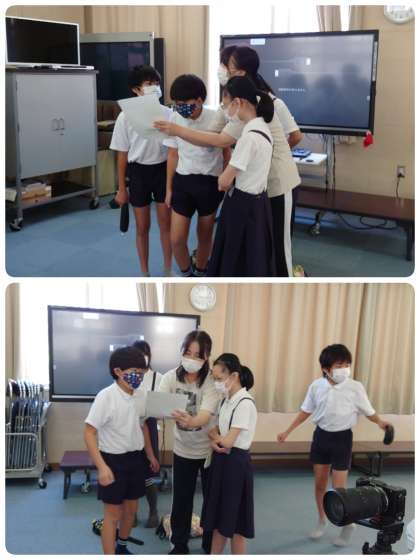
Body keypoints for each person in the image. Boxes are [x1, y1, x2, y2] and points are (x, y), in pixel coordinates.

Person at [154, 47, 301, 276]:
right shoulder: (235, 107)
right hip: (254, 187)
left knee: (279, 248)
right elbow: (210, 136)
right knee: (259, 246)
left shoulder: (256, 110)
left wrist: (178, 130)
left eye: (226, 65)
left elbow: (221, 141)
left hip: (276, 183)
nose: (221, 70)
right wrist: (183, 128)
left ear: (240, 73)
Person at [277, 344, 393, 547]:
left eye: (347, 364)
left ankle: (347, 525)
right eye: (339, 365)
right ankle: (322, 519)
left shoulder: (355, 387)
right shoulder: (316, 386)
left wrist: (380, 422)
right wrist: (287, 431)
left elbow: (368, 411)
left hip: (342, 439)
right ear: (326, 368)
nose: (344, 369)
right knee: (320, 485)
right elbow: (305, 411)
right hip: (321, 437)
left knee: (339, 488)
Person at [84, 346, 160, 555]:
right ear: (118, 371)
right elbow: (89, 432)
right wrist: (102, 467)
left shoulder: (141, 395)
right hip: (113, 461)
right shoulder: (106, 396)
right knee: (113, 514)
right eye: (135, 372)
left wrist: (150, 455)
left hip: (136, 459)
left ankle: (122, 547)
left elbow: (142, 425)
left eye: (142, 373)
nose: (139, 377)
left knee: (131, 511)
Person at [158, 330, 220, 554]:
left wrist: (191, 420)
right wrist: (161, 412)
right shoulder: (170, 377)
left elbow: (205, 414)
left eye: (197, 355)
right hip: (183, 449)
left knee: (211, 500)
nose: (191, 359)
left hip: (209, 450)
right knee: (181, 500)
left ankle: (209, 544)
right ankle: (179, 544)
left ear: (206, 357)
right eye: (187, 353)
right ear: (181, 352)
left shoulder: (211, 381)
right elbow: (159, 405)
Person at [207, 76, 275, 276]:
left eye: (226, 104)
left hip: (243, 205)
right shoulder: (263, 128)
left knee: (236, 257)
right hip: (259, 202)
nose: (225, 110)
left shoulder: (249, 138)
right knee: (254, 256)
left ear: (238, 102)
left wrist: (220, 178)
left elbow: (224, 181)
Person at [163, 75, 229, 277]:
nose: (180, 108)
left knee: (205, 234)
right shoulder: (175, 118)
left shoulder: (216, 118)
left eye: (184, 104)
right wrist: (168, 188)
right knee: (176, 239)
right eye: (177, 104)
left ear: (200, 100)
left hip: (210, 182)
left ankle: (201, 271)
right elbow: (172, 154)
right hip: (183, 181)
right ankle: (186, 274)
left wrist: (226, 180)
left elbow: (226, 151)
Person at [111, 65, 173, 277]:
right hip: (138, 173)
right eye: (149, 84)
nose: (154, 87)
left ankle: (167, 269)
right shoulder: (125, 117)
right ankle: (144, 273)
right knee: (142, 227)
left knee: (166, 225)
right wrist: (121, 188)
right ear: (136, 89)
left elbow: (174, 151)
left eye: (156, 83)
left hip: (163, 171)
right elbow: (121, 154)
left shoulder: (168, 113)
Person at [201, 354, 257, 554]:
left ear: (234, 376)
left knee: (235, 525)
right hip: (221, 461)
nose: (216, 383)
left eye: (219, 378)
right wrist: (216, 440)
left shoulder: (245, 403)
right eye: (214, 378)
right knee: (219, 520)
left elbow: (227, 441)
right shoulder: (225, 400)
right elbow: (213, 431)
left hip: (236, 466)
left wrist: (217, 439)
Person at [132, 340, 163, 528]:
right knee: (132, 472)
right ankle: (132, 512)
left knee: (148, 472)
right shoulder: (128, 375)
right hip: (129, 425)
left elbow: (161, 408)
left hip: (149, 425)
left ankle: (153, 512)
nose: (142, 357)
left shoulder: (157, 377)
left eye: (144, 354)